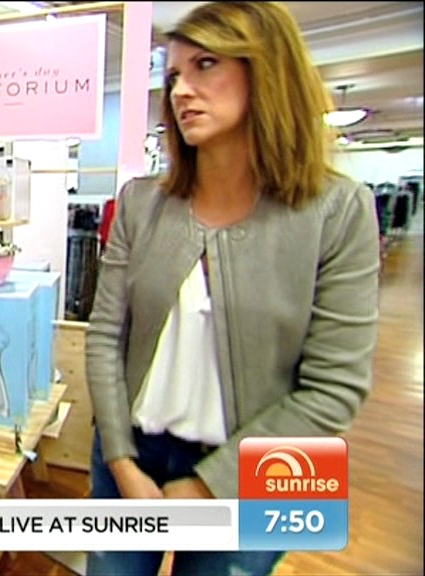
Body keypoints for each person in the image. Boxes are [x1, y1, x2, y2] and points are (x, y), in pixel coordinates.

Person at [85, 3, 379, 575]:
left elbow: (334, 389)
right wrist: (120, 461)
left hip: (263, 470)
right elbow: (104, 338)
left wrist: (207, 486)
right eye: (173, 75)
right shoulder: (142, 203)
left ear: (266, 70)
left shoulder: (337, 211)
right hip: (131, 454)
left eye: (206, 65)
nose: (180, 90)